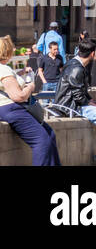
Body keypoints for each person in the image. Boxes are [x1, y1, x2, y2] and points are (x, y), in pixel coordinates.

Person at [51, 39, 96, 166]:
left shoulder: (78, 65)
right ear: (92, 53)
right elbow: (79, 97)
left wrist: (95, 104)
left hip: (76, 104)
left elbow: (82, 92)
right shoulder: (76, 68)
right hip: (70, 106)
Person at [0, 35, 60, 165]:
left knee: (50, 134)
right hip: (11, 109)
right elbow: (18, 96)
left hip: (10, 109)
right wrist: (30, 87)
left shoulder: (4, 68)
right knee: (42, 140)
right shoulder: (3, 69)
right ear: (7, 51)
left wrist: (20, 73)